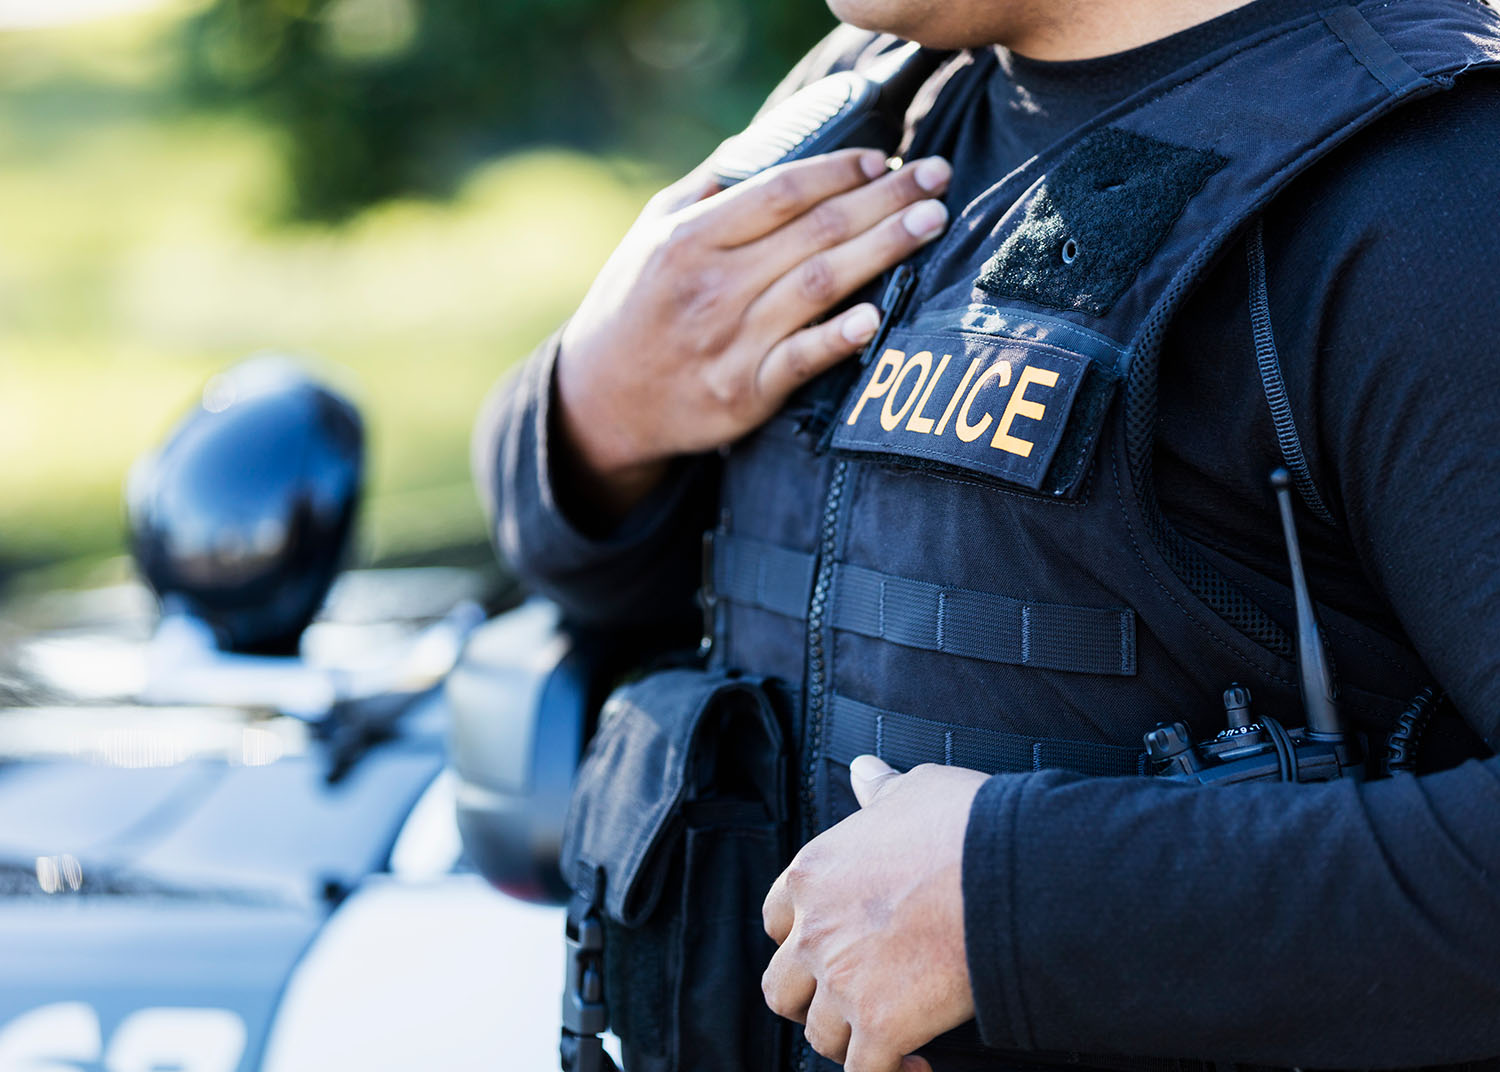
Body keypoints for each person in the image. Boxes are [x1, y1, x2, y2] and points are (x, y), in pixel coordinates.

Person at [475, 0, 1500, 1069]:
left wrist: (1017, 904)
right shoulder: (872, 92)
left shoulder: (1437, 193)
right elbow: (649, 587)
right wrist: (593, 413)